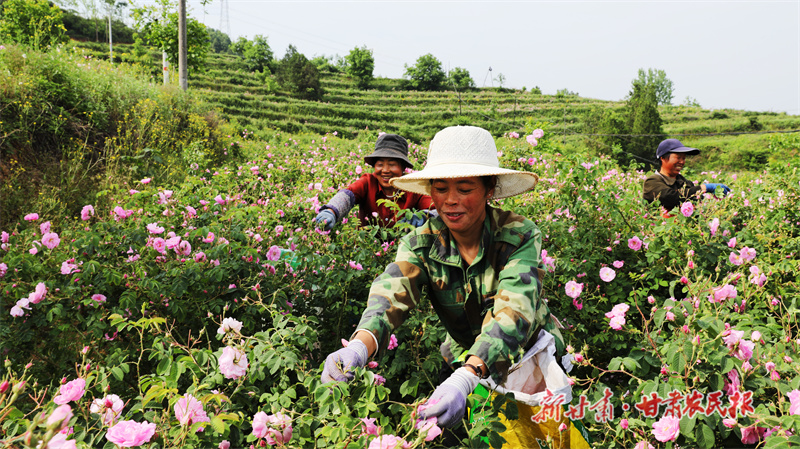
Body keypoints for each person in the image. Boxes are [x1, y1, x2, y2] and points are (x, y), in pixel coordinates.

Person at [320, 125, 565, 430]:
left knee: (537, 434)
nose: (450, 200)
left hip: (527, 355)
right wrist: (358, 346)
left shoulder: (519, 235)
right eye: (441, 188)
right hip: (462, 355)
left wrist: (466, 378)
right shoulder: (420, 244)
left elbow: (514, 311)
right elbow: (392, 292)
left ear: (489, 190)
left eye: (465, 189)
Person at [312, 133, 434, 230]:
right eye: (380, 164)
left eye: (392, 164)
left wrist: (422, 216)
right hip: (367, 250)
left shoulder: (413, 186)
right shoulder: (368, 182)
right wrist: (331, 211)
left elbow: (434, 208)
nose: (385, 170)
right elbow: (347, 196)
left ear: (403, 168)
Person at [643, 138, 731, 212]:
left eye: (684, 158)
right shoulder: (652, 182)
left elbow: (695, 202)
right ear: (662, 158)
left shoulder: (684, 182)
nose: (682, 162)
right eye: (678, 157)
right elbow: (670, 197)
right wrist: (704, 188)